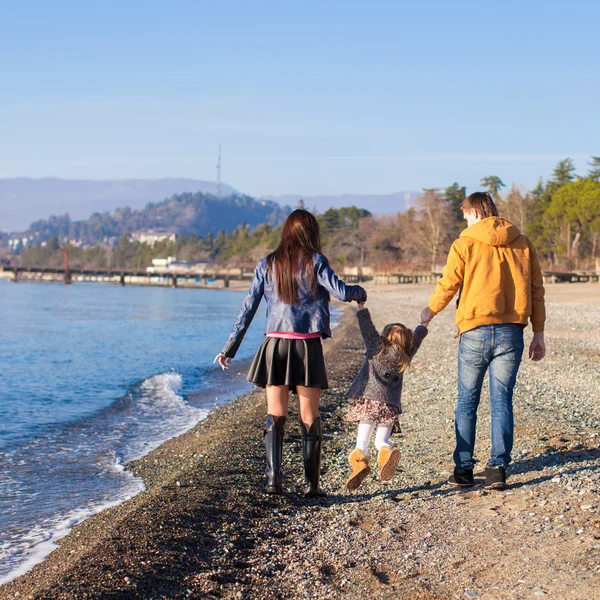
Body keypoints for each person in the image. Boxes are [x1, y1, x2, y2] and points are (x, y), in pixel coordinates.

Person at [214, 209, 367, 496]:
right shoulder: (316, 261)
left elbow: (248, 308)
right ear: (311, 233)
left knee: (276, 414)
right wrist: (361, 292)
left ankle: (274, 481)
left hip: (275, 346)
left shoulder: (267, 264)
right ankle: (311, 486)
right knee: (309, 415)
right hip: (307, 346)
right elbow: (343, 293)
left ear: (286, 232)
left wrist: (230, 348)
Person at [420, 191, 546, 490]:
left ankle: (463, 469)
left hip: (474, 330)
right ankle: (497, 469)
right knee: (501, 401)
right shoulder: (523, 243)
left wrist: (430, 311)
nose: (465, 221)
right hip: (511, 332)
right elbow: (536, 289)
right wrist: (538, 332)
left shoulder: (465, 242)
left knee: (467, 400)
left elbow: (449, 282)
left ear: (475, 212)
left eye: (465, 215)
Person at [344, 303, 428, 490]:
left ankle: (360, 464)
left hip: (369, 402)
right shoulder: (406, 354)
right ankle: (386, 455)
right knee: (381, 442)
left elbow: (367, 328)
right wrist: (424, 323)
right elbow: (417, 340)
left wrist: (361, 307)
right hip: (389, 406)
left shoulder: (376, 348)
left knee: (362, 444)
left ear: (385, 336)